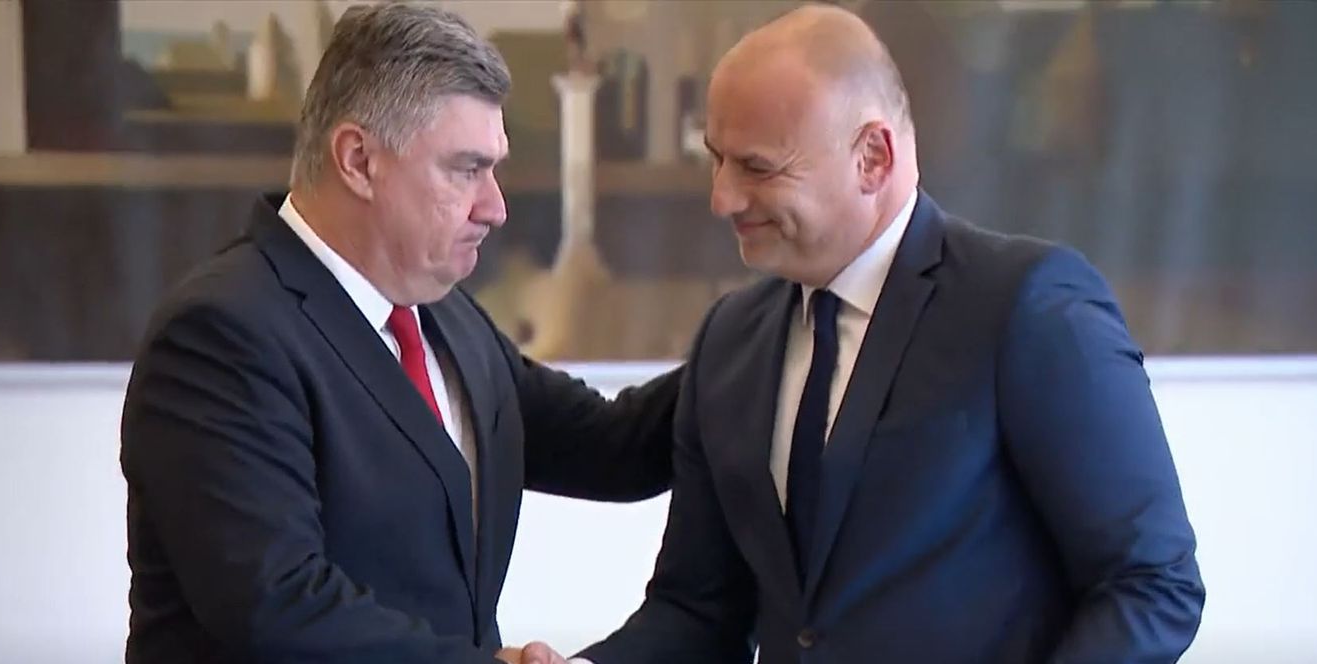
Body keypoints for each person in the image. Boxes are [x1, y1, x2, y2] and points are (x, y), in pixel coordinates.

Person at [573, 5, 1204, 664]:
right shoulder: (730, 342)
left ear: (872, 157)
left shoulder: (1026, 307)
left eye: (757, 168)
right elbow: (698, 611)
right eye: (716, 160)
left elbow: (1152, 585)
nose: (722, 198)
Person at [120, 5, 676, 663]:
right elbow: (279, 605)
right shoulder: (220, 334)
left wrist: (762, 325)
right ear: (358, 160)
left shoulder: (447, 316)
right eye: (466, 169)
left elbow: (613, 446)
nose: (494, 207)